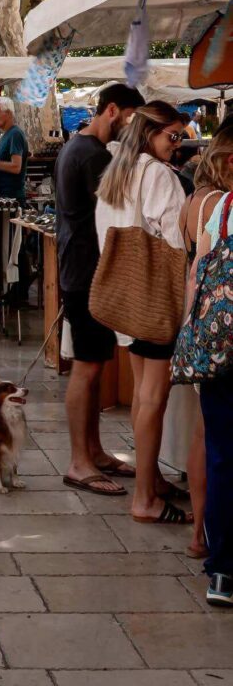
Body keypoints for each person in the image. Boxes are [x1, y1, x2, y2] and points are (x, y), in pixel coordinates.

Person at [95, 101, 190, 525]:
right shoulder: (159, 176)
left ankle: (150, 481)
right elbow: (174, 241)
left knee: (141, 396)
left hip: (127, 296)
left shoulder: (118, 170)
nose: (178, 145)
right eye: (173, 136)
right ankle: (145, 499)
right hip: (157, 297)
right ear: (151, 133)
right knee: (154, 397)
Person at [55, 83, 145, 497]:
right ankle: (79, 461)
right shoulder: (91, 155)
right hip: (86, 272)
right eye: (131, 118)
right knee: (87, 367)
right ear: (113, 110)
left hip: (83, 269)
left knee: (93, 366)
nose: (133, 129)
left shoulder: (79, 148)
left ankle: (93, 451)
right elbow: (114, 212)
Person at [175, 126, 233, 560]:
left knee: (216, 448)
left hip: (215, 343)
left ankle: (215, 555)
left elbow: (196, 273)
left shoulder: (217, 208)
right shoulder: (219, 205)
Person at [188, 185, 233, 605]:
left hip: (221, 352)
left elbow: (198, 273)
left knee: (223, 457)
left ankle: (223, 569)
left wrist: (192, 341)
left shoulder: (223, 206)